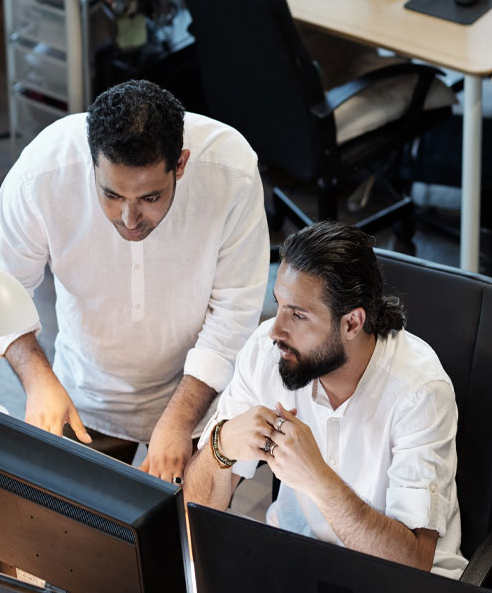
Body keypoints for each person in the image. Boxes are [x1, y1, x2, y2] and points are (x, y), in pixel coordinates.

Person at [0, 80, 270, 481]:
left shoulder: (232, 173)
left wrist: (177, 422)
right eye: (112, 196)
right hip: (84, 396)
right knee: (73, 515)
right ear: (91, 162)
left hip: (197, 395)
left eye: (150, 198)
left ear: (181, 164)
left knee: (188, 519)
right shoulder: (42, 172)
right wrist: (38, 381)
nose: (129, 219)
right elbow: (1, 287)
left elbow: (234, 314)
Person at [183, 221, 467, 578]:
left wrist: (317, 477)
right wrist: (219, 446)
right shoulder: (267, 354)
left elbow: (412, 565)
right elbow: (192, 518)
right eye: (279, 305)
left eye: (298, 315)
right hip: (295, 565)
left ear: (352, 324)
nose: (275, 330)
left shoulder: (420, 391)